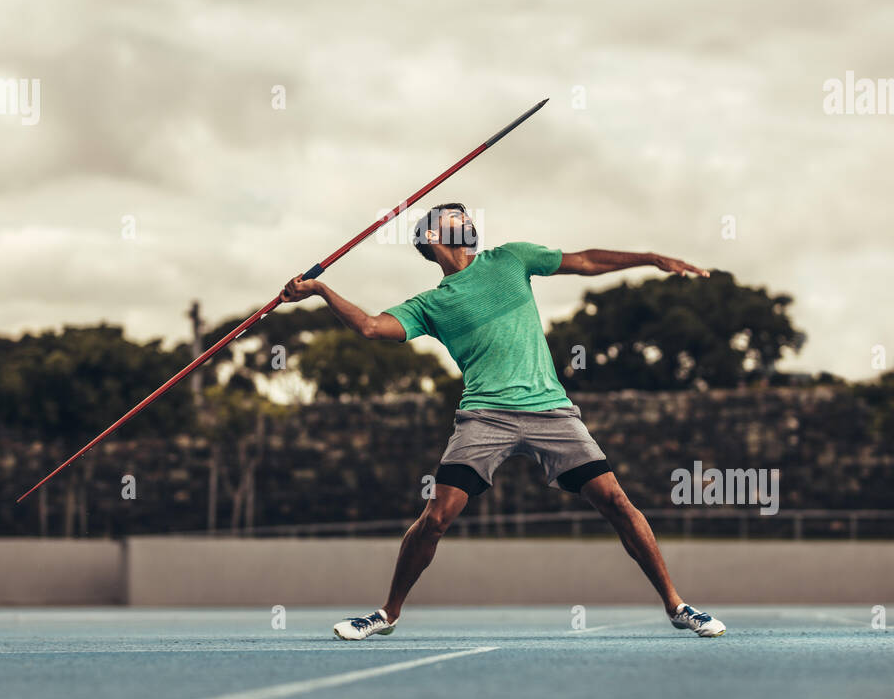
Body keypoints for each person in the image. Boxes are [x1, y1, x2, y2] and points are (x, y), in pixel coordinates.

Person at [280, 203, 725, 640]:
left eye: (468, 215)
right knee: (436, 518)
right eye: (454, 216)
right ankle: (386, 614)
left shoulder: (511, 258)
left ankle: (676, 605)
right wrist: (321, 291)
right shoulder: (431, 304)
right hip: (485, 417)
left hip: (550, 409)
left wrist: (649, 258)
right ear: (432, 236)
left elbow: (586, 260)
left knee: (615, 501)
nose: (467, 220)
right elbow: (372, 328)